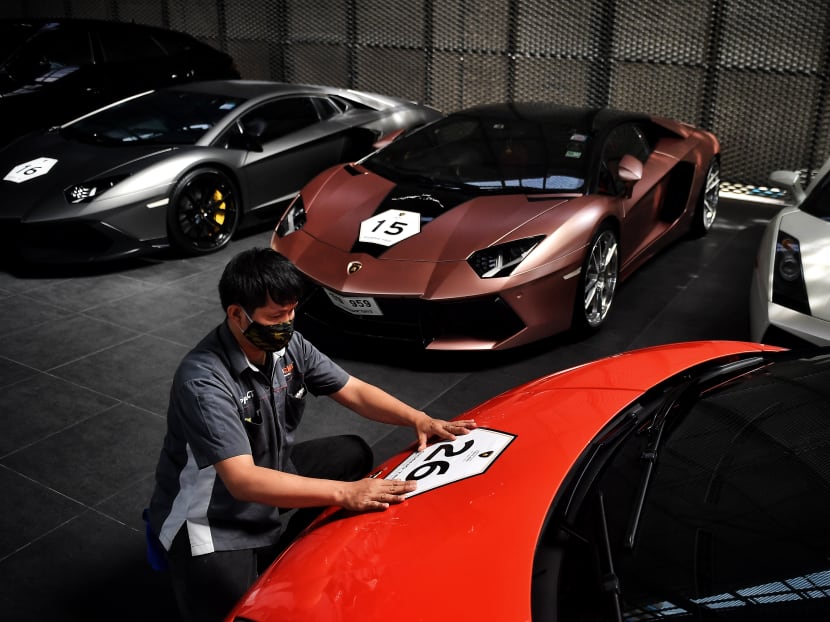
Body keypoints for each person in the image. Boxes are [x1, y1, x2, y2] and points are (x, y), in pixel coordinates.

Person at [146, 247, 476, 622]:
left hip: (268, 471)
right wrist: (346, 493)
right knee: (240, 613)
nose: (287, 323)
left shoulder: (288, 345)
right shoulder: (203, 380)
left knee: (351, 453)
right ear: (237, 315)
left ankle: (293, 552)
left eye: (291, 312)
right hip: (212, 516)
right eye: (276, 316)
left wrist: (419, 419)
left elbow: (353, 390)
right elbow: (241, 481)